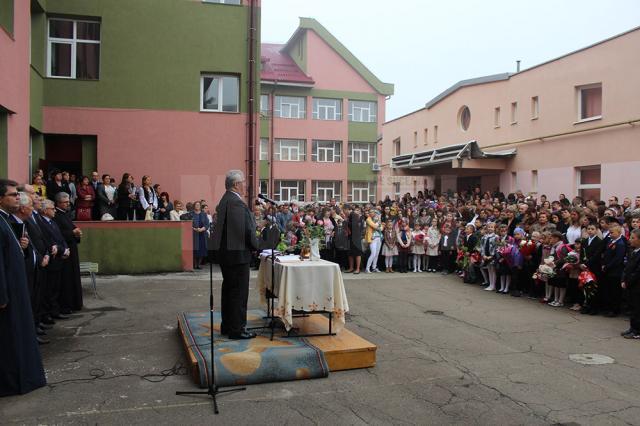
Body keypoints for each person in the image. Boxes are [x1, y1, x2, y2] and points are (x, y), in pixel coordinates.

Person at [0, 179, 47, 396]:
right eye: (12, 195)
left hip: (16, 289)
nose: (17, 198)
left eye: (18, 195)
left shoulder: (5, 222)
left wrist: (22, 248)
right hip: (8, 295)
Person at [210, 170, 258, 340]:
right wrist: (257, 246)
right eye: (243, 182)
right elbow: (244, 230)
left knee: (230, 291)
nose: (245, 185)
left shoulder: (226, 199)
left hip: (228, 255)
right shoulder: (235, 202)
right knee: (238, 293)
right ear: (236, 184)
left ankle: (228, 325)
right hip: (237, 256)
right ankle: (237, 329)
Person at [621, 229, 640, 339]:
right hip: (630, 284)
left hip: (637, 285)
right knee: (632, 307)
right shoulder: (633, 251)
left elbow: (637, 272)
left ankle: (637, 330)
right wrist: (623, 279)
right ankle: (633, 327)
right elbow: (627, 267)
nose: (630, 240)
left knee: (637, 308)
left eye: (633, 238)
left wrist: (628, 281)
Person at [191, 201, 209, 269]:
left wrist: (202, 229)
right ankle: (194, 264)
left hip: (202, 234)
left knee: (202, 250)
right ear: (194, 206)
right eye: (196, 205)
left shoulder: (204, 214)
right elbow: (187, 222)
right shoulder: (191, 214)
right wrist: (194, 228)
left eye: (198, 205)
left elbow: (207, 224)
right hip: (194, 234)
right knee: (195, 250)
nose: (197, 206)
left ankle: (199, 264)